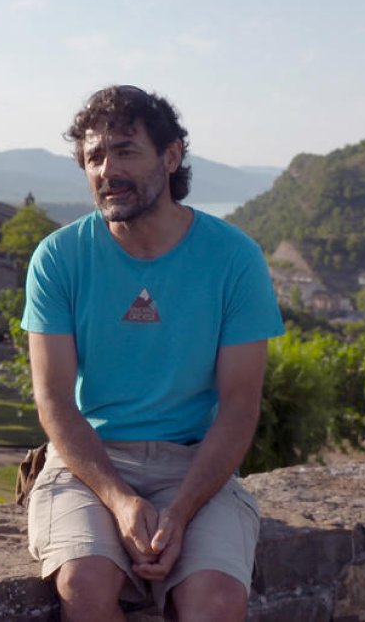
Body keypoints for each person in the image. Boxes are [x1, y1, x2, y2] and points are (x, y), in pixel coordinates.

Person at [21, 85, 284, 621]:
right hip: (87, 461)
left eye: (124, 150)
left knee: (216, 598)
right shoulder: (59, 258)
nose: (106, 169)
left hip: (194, 462)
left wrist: (182, 510)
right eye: (94, 157)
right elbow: (54, 401)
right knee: (85, 584)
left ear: (170, 156)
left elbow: (239, 404)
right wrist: (119, 499)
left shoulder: (233, 258)